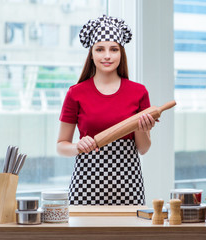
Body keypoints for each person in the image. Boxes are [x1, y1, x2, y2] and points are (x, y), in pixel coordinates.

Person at [57, 15, 157, 205]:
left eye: (114, 49)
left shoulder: (139, 92)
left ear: (121, 53)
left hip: (129, 186)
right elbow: (61, 145)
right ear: (91, 54)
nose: (107, 55)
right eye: (100, 49)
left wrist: (141, 128)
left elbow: (143, 149)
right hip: (85, 186)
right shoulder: (75, 93)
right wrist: (77, 147)